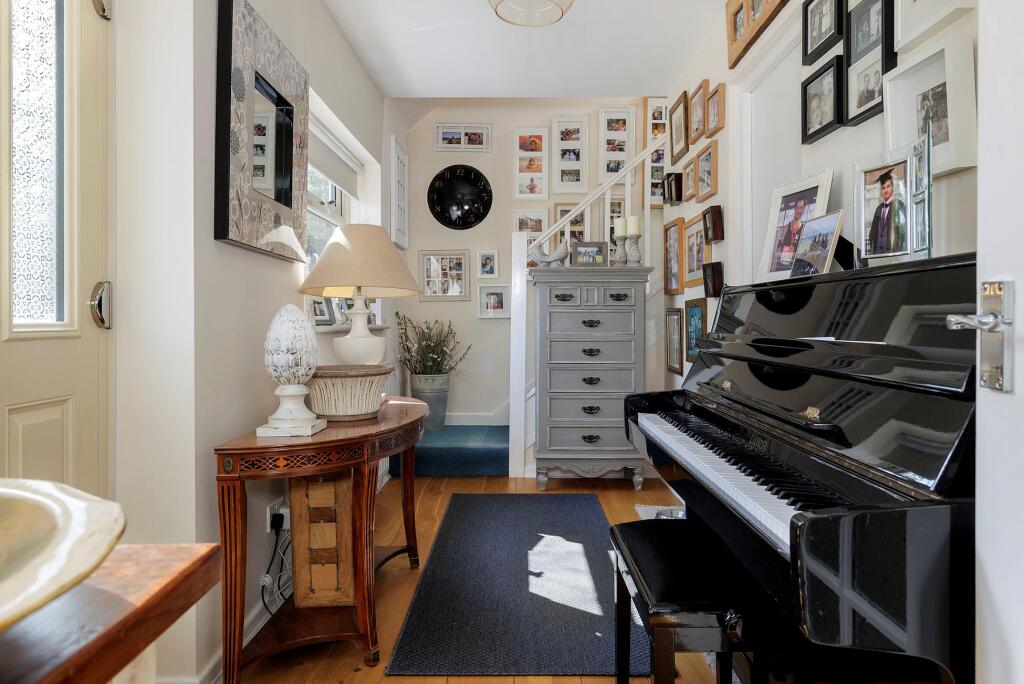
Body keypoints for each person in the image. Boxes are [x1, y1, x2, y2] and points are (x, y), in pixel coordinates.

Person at [867, 170, 907, 255]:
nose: (886, 190)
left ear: (892, 187)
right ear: (881, 190)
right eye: (883, 188)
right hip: (877, 255)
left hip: (893, 255)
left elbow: (903, 232)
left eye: (888, 186)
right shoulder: (878, 209)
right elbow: (872, 235)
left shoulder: (899, 205)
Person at [772, 196, 807, 270]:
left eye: (801, 207)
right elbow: (776, 250)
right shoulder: (785, 228)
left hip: (792, 268)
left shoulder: (804, 229)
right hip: (781, 266)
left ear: (804, 209)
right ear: (794, 208)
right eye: (797, 207)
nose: (799, 210)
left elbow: (803, 253)